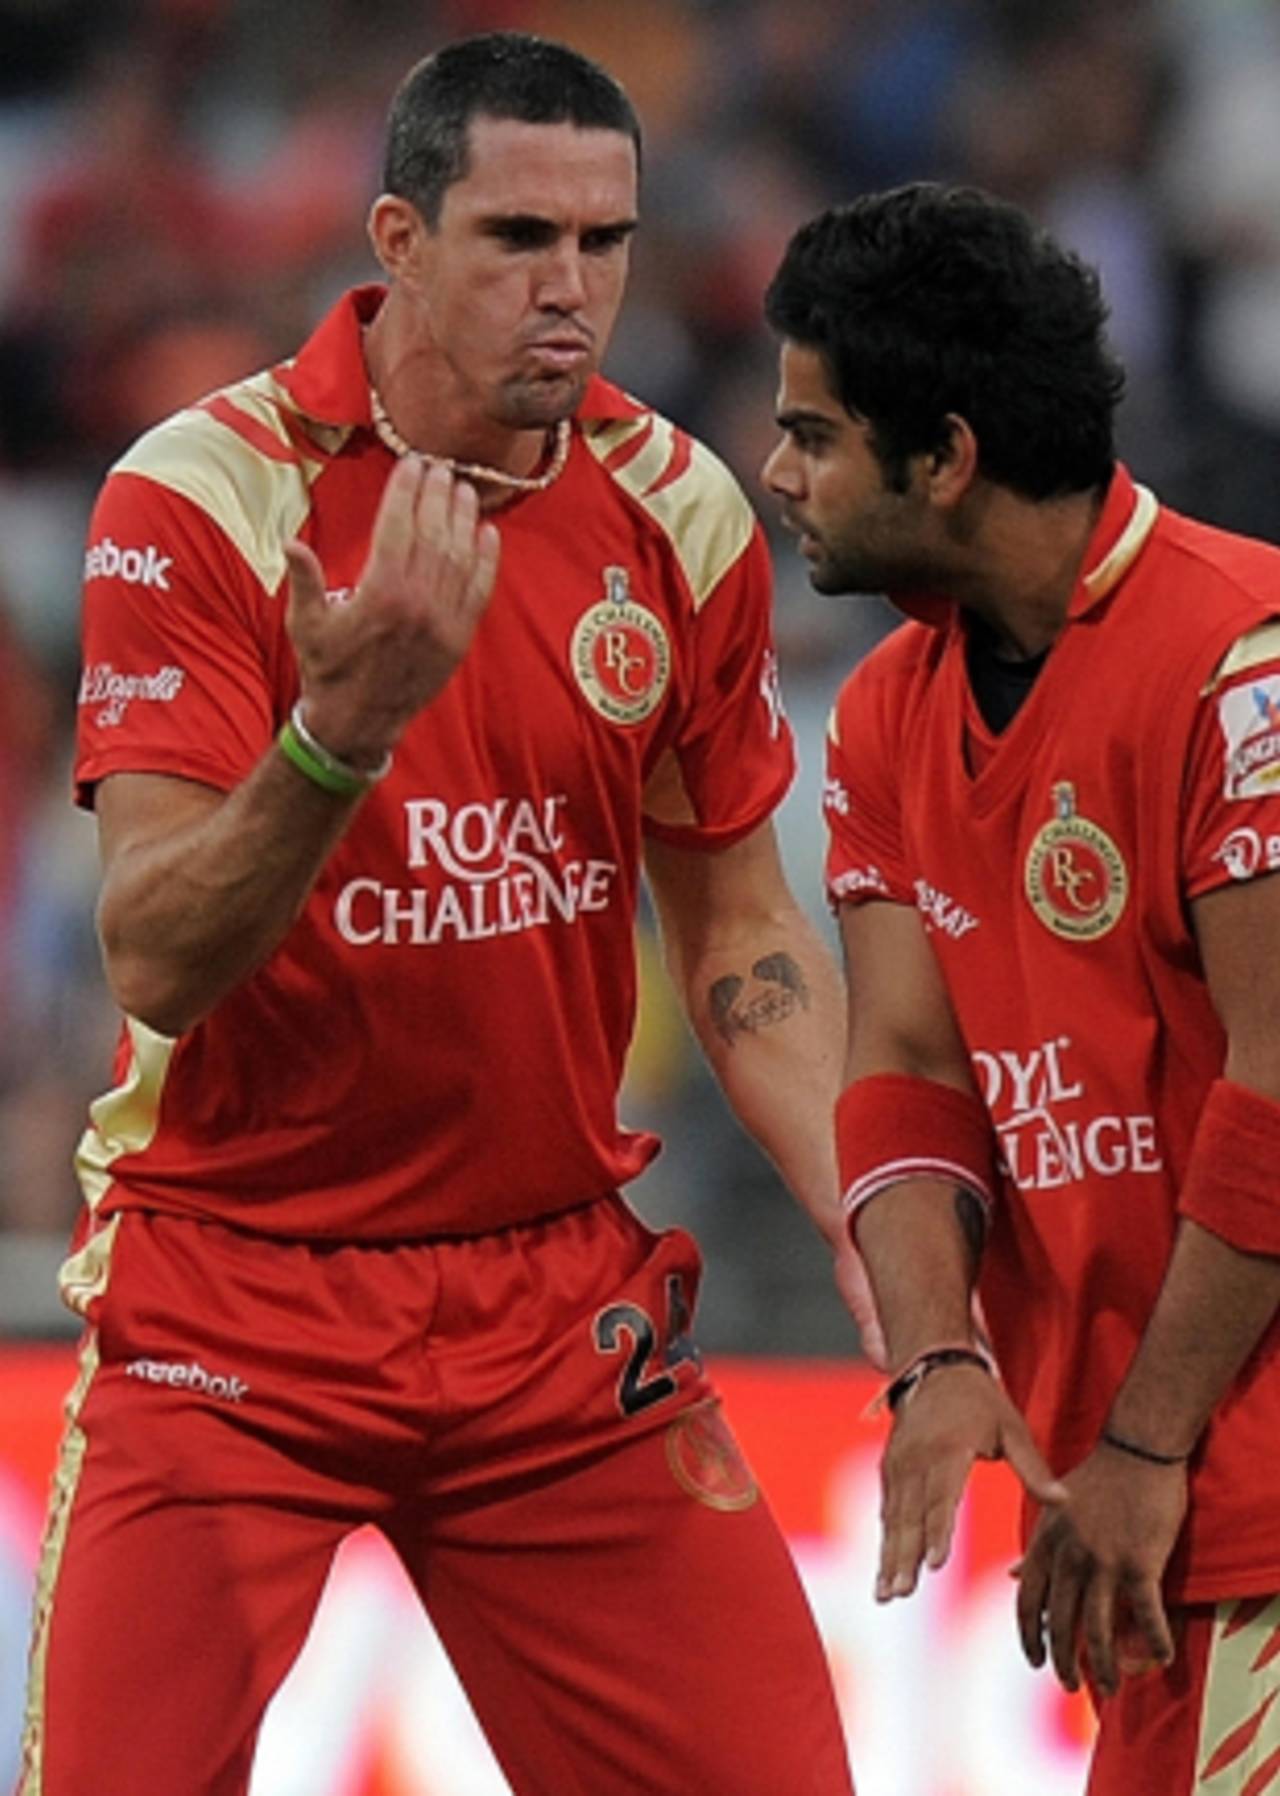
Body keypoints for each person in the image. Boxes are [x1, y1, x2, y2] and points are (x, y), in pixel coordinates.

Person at [20, 32, 869, 1796]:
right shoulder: (201, 497)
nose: (572, 293)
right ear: (396, 240)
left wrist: (872, 1206)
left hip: (556, 1305)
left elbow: (742, 940)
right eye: (515, 241)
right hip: (231, 1298)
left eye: (605, 243)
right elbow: (158, 955)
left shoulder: (676, 510)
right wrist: (340, 736)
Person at [761, 181, 1280, 1795]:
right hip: (1131, 1515)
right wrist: (938, 1358)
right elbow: (905, 1070)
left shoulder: (1244, 656)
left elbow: (1279, 1081)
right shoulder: (882, 718)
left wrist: (1145, 1444)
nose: (777, 473)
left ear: (949, 456)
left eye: (816, 432)